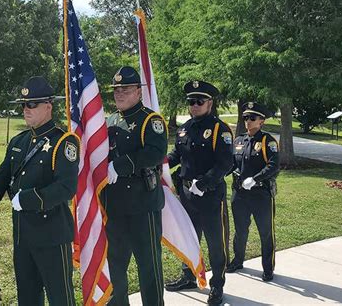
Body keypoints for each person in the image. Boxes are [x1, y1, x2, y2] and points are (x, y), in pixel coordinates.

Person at [0, 77, 79, 306]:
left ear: (48, 106)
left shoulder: (64, 142)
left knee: (61, 298)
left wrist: (29, 199)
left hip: (52, 236)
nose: (25, 110)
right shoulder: (19, 141)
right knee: (27, 297)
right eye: (23, 105)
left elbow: (66, 188)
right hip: (23, 236)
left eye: (32, 105)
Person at [102, 66, 168, 305]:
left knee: (148, 264)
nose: (119, 93)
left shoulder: (151, 120)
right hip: (115, 205)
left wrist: (121, 165)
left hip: (142, 204)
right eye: (116, 89)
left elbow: (155, 153)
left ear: (139, 92)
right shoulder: (110, 120)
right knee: (116, 263)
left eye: (125, 89)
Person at [165, 80, 233, 305]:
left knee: (216, 243)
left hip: (210, 195)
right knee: (189, 238)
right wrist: (162, 164)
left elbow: (225, 164)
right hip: (187, 195)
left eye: (199, 101)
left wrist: (204, 184)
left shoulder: (219, 130)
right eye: (191, 102)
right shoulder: (186, 127)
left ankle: (217, 286)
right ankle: (188, 276)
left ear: (210, 103)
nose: (194, 106)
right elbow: (177, 154)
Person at [226, 102, 279, 282]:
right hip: (240, 194)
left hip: (260, 194)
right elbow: (232, 164)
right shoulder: (239, 140)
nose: (248, 121)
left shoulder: (268, 141)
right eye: (246, 118)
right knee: (240, 230)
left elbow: (274, 166)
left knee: (265, 232)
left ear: (261, 121)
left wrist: (255, 179)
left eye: (252, 118)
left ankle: (267, 268)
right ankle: (238, 260)